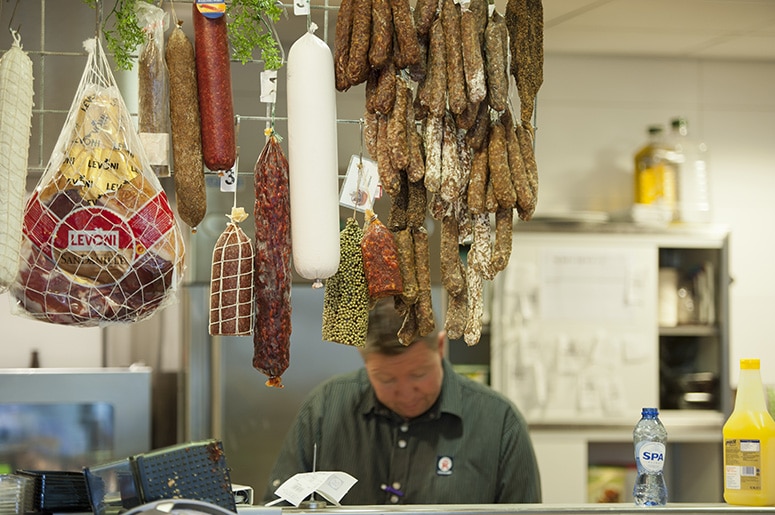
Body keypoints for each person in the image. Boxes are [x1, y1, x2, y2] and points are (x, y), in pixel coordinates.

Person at [262, 298, 542, 505]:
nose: (406, 392)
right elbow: (278, 506)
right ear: (363, 358)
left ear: (441, 347)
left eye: (419, 374)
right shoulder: (325, 409)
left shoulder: (499, 422)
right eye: (386, 379)